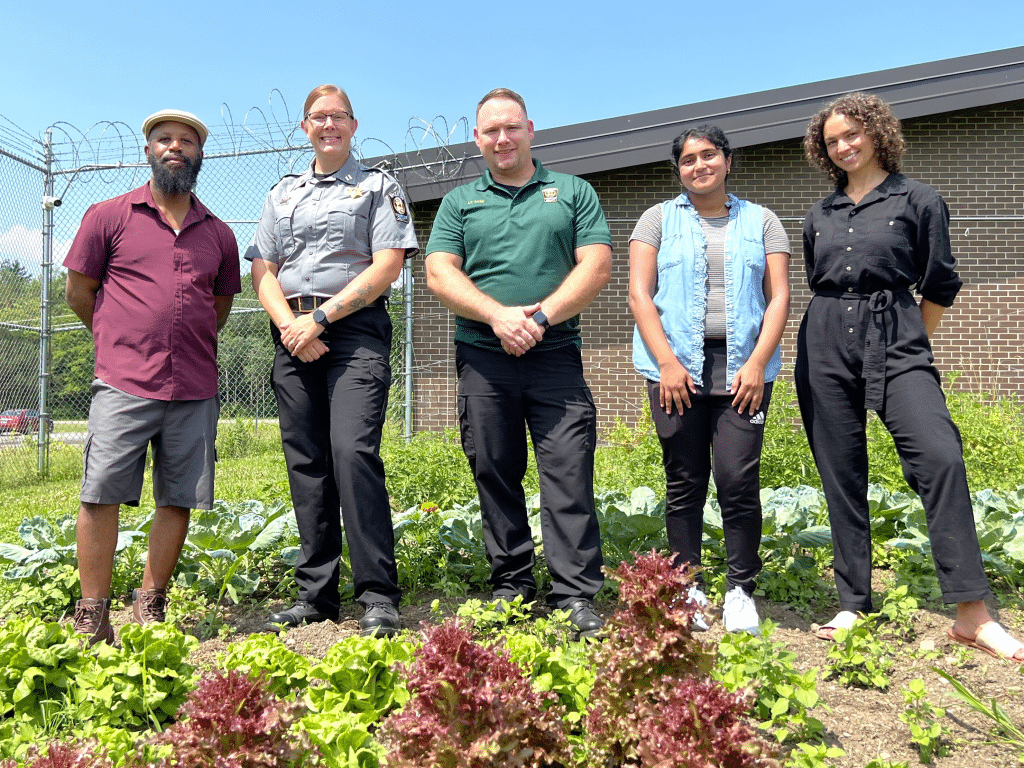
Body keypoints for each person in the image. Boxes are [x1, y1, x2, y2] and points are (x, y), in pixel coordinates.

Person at [797, 92, 1024, 662]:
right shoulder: (820, 213)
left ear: (876, 132)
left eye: (852, 134)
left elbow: (940, 282)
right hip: (824, 341)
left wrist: (909, 339)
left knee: (939, 455)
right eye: (832, 141)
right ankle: (853, 599)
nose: (844, 145)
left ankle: (972, 613)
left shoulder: (918, 199)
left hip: (896, 338)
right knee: (840, 470)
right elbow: (817, 279)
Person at [425, 88, 611, 638]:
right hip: (484, 359)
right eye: (490, 131)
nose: (502, 139)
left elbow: (596, 266)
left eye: (511, 127)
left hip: (556, 357)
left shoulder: (573, 192)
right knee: (494, 469)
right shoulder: (460, 203)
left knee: (569, 473)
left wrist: (540, 319)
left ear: (530, 129)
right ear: (478, 139)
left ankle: (574, 593)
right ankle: (511, 585)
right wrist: (499, 318)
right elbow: (439, 273)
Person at [64, 109, 241, 645]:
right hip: (123, 380)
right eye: (164, 139)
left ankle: (150, 602)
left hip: (194, 384)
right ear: (148, 151)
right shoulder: (108, 216)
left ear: (198, 155)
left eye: (186, 141)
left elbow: (221, 304)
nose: (175, 148)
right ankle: (93, 614)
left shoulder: (220, 234)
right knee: (101, 493)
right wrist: (120, 338)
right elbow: (79, 292)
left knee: (178, 497)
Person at [246, 84, 418, 637]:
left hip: (354, 330)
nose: (328, 125)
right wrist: (292, 327)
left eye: (337, 116)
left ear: (353, 123)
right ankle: (315, 596)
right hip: (291, 332)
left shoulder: (378, 186)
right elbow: (263, 271)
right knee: (307, 463)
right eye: (317, 118)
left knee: (352, 453)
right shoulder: (281, 193)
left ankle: (378, 595)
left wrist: (319, 322)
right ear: (305, 128)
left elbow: (386, 266)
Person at [628, 126, 790, 634]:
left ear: (727, 159)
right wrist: (669, 363)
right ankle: (688, 587)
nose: (700, 165)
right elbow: (638, 294)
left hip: (743, 366)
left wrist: (759, 363)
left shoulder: (763, 221)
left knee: (739, 480)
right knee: (685, 481)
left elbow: (779, 297)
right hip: (674, 370)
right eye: (688, 159)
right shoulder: (656, 220)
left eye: (709, 155)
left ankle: (740, 590)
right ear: (678, 168)